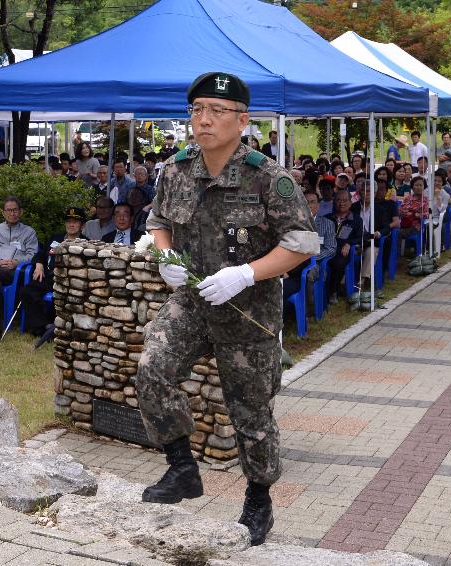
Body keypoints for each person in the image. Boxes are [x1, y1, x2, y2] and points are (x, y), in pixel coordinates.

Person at [137, 71, 318, 547]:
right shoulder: (176, 170)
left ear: (243, 120)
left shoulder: (269, 179)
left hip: (248, 312)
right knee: (152, 366)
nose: (203, 120)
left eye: (216, 111)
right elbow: (158, 220)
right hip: (192, 300)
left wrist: (247, 273)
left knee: (251, 414)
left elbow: (301, 244)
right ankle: (181, 468)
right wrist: (165, 256)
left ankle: (258, 500)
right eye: (196, 110)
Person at [24, 207, 85, 344]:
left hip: (69, 280)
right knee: (27, 291)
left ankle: (49, 328)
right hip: (49, 276)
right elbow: (40, 253)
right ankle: (44, 326)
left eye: (75, 222)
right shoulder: (56, 238)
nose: (71, 224)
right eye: (68, 221)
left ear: (82, 225)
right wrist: (39, 264)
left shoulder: (86, 243)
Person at [0, 196, 39, 322]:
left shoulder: (29, 232)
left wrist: (17, 262)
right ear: (3, 212)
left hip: (18, 271)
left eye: (15, 210)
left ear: (21, 211)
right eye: (8, 210)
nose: (12, 213)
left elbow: (33, 254)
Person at [326, 190, 365, 304]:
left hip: (342, 252)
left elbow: (360, 237)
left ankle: (333, 292)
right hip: (325, 250)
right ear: (334, 202)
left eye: (344, 200)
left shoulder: (356, 220)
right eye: (338, 200)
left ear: (350, 202)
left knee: (338, 263)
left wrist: (349, 243)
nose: (341, 203)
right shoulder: (326, 218)